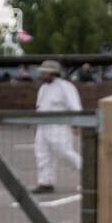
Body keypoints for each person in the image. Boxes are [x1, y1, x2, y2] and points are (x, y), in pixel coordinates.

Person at [32, 59, 82, 193]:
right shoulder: (43, 88)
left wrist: (76, 123)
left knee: (65, 152)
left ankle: (89, 175)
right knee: (41, 153)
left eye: (45, 72)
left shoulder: (65, 87)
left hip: (59, 125)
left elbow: (74, 106)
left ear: (53, 73)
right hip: (43, 125)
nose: (42, 74)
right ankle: (45, 182)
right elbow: (40, 106)